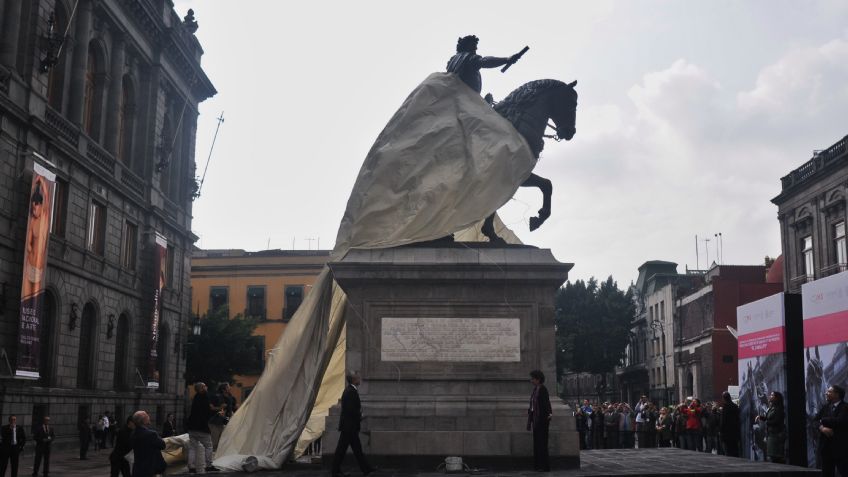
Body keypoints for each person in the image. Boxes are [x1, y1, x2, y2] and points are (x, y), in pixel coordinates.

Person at [445, 35, 524, 94]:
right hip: (466, 97)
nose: (476, 49)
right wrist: (506, 59)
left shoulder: (453, 60)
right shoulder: (467, 57)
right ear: (466, 46)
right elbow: (484, 61)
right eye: (473, 46)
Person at [331, 372, 375, 477]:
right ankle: (335, 471)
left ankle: (366, 469)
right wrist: (360, 416)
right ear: (354, 380)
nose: (360, 379)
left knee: (353, 449)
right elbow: (350, 410)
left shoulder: (350, 390)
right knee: (345, 450)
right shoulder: (351, 392)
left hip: (349, 427)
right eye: (358, 378)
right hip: (349, 427)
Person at [814, 384, 848, 477]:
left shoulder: (845, 407)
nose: (826, 393)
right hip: (826, 448)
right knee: (826, 473)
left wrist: (823, 420)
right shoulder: (825, 407)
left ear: (837, 394)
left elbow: (840, 421)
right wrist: (822, 428)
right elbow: (815, 421)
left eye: (829, 391)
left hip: (840, 448)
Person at [187, 382, 219, 473]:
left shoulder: (196, 397)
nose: (206, 387)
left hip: (192, 427)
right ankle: (208, 465)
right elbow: (208, 411)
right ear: (201, 388)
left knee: (192, 447)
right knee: (208, 446)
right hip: (202, 427)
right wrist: (217, 409)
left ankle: (191, 467)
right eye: (204, 386)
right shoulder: (205, 397)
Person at [129, 411, 166, 477]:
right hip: (150, 470)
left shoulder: (133, 434)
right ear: (144, 420)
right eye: (147, 416)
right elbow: (163, 445)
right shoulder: (151, 434)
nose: (149, 417)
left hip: (137, 469)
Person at [756, 391, 786, 464]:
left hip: (776, 435)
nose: (770, 396)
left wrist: (766, 422)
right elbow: (767, 418)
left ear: (776, 398)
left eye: (772, 395)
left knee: (776, 456)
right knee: (772, 456)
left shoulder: (779, 409)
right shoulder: (771, 407)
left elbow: (776, 421)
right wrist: (760, 417)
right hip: (771, 434)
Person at [719, 392, 740, 457]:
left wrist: (721, 431)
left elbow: (723, 421)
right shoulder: (735, 406)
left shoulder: (725, 407)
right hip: (735, 432)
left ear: (724, 398)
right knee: (735, 450)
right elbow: (738, 419)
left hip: (727, 433)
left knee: (728, 451)